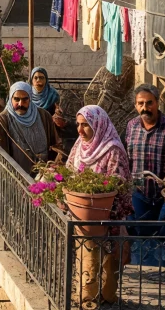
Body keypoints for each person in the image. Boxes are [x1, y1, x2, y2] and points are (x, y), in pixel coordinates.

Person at [65, 106, 129, 306]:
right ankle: (87, 300)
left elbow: (118, 184)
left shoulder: (112, 150)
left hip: (106, 216)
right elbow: (68, 172)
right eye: (78, 124)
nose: (80, 130)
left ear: (98, 125)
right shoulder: (80, 145)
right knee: (87, 259)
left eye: (85, 125)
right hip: (83, 216)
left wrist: (97, 197)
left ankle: (105, 298)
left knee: (107, 262)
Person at [123, 84, 165, 221]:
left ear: (157, 103)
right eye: (140, 103)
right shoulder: (131, 126)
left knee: (163, 230)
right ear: (135, 105)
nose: (145, 108)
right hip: (138, 191)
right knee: (139, 230)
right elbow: (126, 156)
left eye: (149, 103)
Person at [0, 81, 63, 174]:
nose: (20, 104)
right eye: (16, 99)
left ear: (30, 98)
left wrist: (55, 167)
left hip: (44, 175)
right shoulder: (0, 121)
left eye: (25, 99)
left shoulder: (43, 115)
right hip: (15, 176)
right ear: (10, 98)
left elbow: (56, 145)